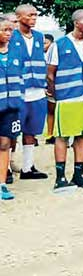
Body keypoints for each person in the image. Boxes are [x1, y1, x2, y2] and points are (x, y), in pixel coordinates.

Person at [46, 9, 83, 192]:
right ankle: (60, 177)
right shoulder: (60, 45)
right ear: (77, 23)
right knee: (62, 136)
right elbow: (50, 73)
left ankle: (79, 174)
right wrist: (56, 95)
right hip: (67, 97)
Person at [10, 5, 50, 180]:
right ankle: (8, 167)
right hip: (18, 91)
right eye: (30, 15)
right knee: (11, 131)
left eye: (36, 15)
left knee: (31, 131)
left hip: (38, 90)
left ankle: (28, 167)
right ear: (18, 17)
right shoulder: (11, 35)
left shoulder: (40, 37)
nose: (34, 18)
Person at [0, 14, 24, 199]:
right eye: (4, 30)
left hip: (11, 106)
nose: (8, 33)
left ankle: (2, 184)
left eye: (10, 30)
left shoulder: (16, 52)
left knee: (5, 143)